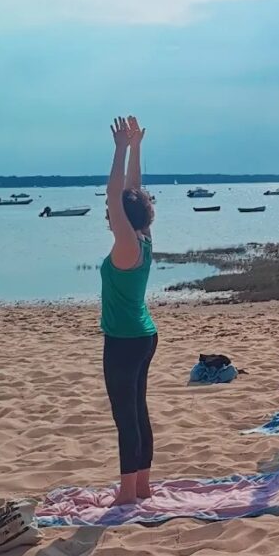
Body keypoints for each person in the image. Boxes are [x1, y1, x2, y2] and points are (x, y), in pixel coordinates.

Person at [101, 116, 157, 506]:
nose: (109, 215)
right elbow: (132, 192)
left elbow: (115, 194)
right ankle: (142, 485)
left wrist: (121, 148)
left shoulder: (126, 244)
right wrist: (136, 148)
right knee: (138, 410)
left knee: (126, 416)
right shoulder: (143, 238)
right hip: (144, 335)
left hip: (123, 340)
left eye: (113, 214)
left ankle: (126, 493)